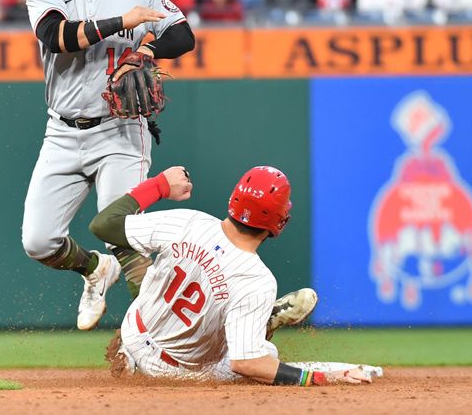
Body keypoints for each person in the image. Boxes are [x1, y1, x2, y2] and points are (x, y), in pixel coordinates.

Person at [23, 0, 196, 331]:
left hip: (120, 130)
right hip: (62, 131)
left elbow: (183, 34)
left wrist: (148, 50)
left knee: (121, 234)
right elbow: (58, 38)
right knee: (38, 242)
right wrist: (125, 22)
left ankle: (163, 333)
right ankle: (94, 271)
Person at [89, 165, 378, 385]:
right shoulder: (257, 280)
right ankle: (257, 324)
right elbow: (246, 364)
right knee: (265, 354)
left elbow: (103, 225)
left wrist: (159, 185)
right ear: (279, 221)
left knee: (153, 274)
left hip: (133, 331)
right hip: (173, 372)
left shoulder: (188, 221)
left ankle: (247, 323)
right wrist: (318, 378)